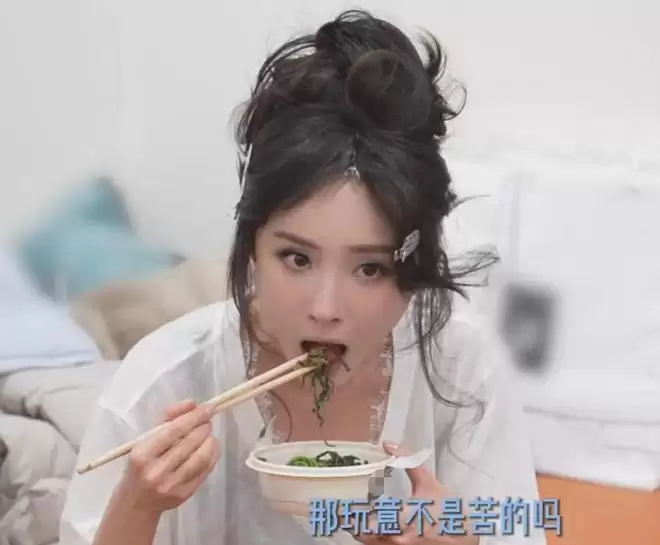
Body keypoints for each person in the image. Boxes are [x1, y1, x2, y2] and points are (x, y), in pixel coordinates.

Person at [60, 9, 546, 545]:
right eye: (296, 259)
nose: (325, 308)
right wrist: (138, 505)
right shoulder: (163, 383)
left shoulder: (462, 369)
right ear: (252, 245)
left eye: (370, 268)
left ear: (415, 268)